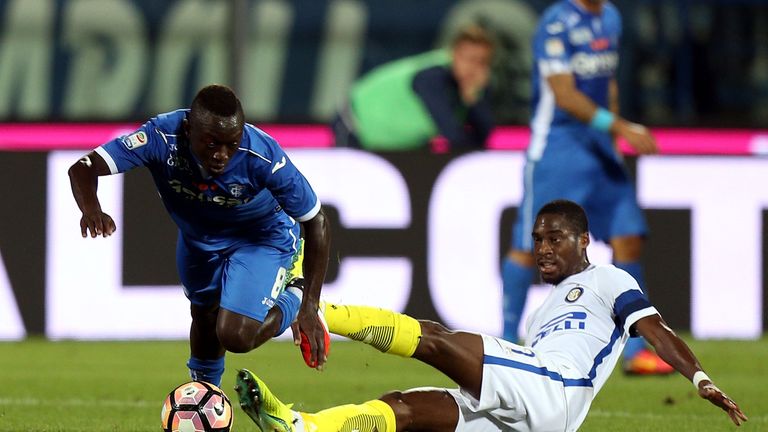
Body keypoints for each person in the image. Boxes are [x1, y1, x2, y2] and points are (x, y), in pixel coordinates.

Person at [234, 199, 747, 432]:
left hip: (555, 391)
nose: (543, 249)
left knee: (435, 339)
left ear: (584, 241)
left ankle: (320, 312)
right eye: (538, 240)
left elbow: (653, 329)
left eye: (555, 239)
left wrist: (699, 378)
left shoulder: (610, 279)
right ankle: (301, 426)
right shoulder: (543, 312)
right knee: (408, 410)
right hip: (533, 413)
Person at [67, 84, 332, 386]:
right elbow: (83, 168)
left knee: (236, 335)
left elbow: (316, 221)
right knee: (204, 317)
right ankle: (206, 396)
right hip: (198, 241)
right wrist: (91, 209)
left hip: (260, 238)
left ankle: (293, 298)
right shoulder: (160, 137)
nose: (222, 155)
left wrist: (310, 304)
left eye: (231, 144)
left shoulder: (263, 155)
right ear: (188, 127)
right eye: (211, 144)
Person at [501, 0, 666, 374]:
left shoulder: (610, 17)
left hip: (599, 143)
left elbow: (606, 82)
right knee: (531, 247)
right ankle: (509, 343)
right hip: (558, 147)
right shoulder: (556, 23)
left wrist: (611, 133)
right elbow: (565, 94)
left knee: (628, 238)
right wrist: (621, 127)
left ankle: (633, 352)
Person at [332, 24, 495, 151]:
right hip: (354, 125)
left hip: (390, 142)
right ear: (453, 55)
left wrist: (473, 100)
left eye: (481, 62)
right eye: (469, 59)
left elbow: (483, 139)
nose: (473, 67)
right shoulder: (431, 77)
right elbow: (454, 137)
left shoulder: (473, 88)